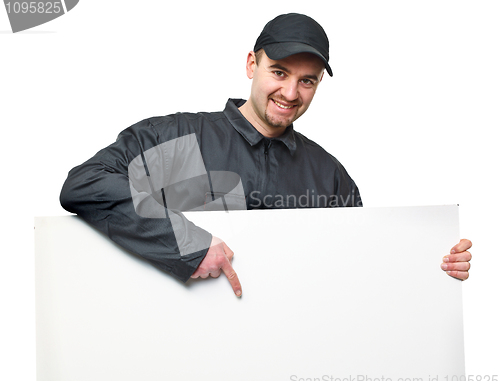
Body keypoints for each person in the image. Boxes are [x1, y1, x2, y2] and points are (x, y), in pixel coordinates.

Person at [60, 13, 472, 298]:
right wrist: (185, 242)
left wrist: (433, 265)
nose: (291, 94)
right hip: (178, 357)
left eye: (306, 81)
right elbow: (85, 185)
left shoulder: (329, 176)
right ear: (250, 64)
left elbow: (359, 270)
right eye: (279, 72)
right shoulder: (181, 137)